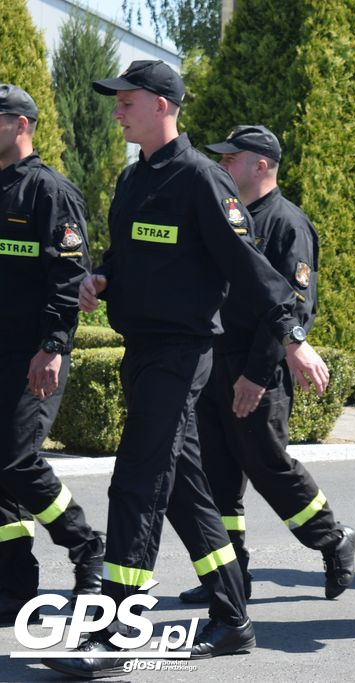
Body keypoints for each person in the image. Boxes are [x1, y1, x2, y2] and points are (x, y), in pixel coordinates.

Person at [42, 61, 329, 678]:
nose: (117, 110)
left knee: (138, 481)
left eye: (128, 101)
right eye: (117, 101)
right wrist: (103, 277)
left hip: (182, 352)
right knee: (185, 492)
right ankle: (233, 619)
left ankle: (117, 632)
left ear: (164, 106)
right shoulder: (134, 178)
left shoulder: (204, 181)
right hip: (142, 349)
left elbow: (251, 268)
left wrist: (291, 337)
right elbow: (129, 251)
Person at [174, 125, 355, 605]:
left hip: (257, 368)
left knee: (268, 466)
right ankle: (232, 577)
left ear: (261, 165)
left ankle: (332, 539)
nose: (223, 165)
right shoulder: (230, 216)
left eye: (233, 158)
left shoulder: (287, 224)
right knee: (217, 476)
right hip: (213, 361)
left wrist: (254, 375)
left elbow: (293, 309)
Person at [0, 84, 104, 623]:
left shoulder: (49, 191)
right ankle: (15, 584)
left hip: (32, 355)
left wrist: (54, 345)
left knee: (18, 459)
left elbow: (69, 277)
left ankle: (87, 546)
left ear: (21, 124)